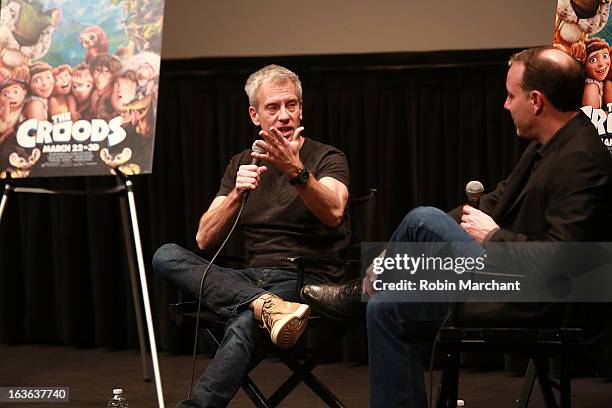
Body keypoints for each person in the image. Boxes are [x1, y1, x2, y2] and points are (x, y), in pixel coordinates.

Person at [302, 46, 612, 407]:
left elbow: (562, 261)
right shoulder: (546, 145)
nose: (506, 105)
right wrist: (456, 229)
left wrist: (494, 236)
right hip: (507, 276)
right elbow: (492, 202)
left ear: (537, 101)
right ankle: (368, 292)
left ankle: (358, 290)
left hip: (537, 297)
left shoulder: (583, 159)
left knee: (422, 217)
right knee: (385, 306)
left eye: (512, 96)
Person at [152, 64, 350, 408]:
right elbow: (203, 238)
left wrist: (296, 172)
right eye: (273, 108)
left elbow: (333, 211)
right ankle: (263, 305)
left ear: (302, 108)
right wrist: (235, 195)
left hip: (305, 278)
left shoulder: (326, 157)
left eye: (291, 105)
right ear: (254, 115)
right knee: (166, 254)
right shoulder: (241, 163)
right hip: (250, 278)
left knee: (246, 320)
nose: (285, 115)